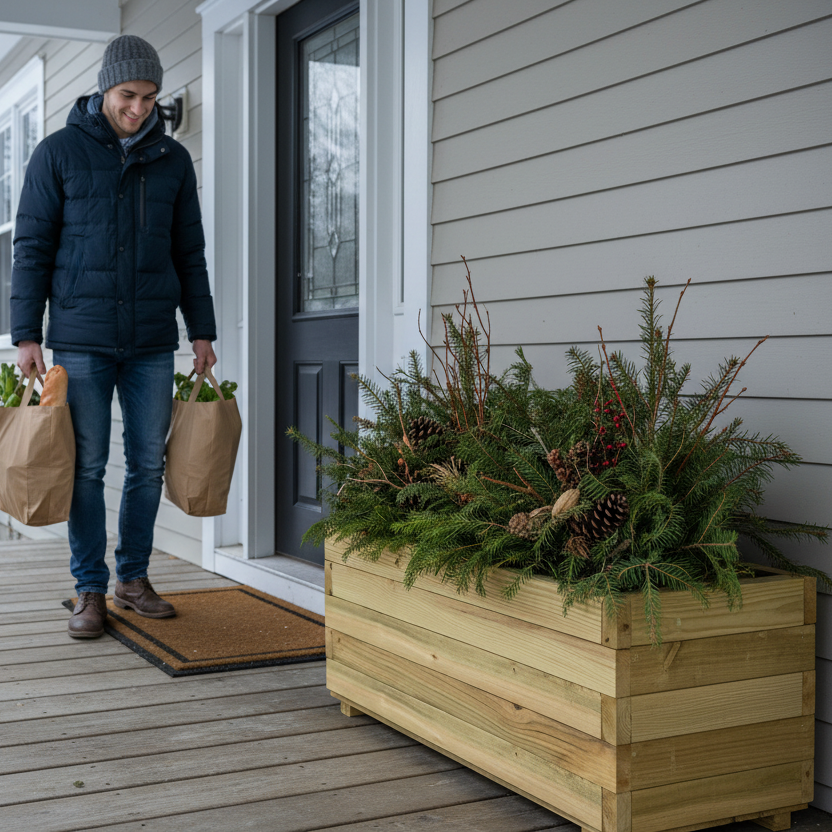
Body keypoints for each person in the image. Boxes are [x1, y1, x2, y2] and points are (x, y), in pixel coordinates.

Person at [10, 35, 217, 639]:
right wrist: (26, 333)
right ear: (105, 88)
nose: (139, 108)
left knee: (148, 464)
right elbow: (32, 248)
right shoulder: (58, 153)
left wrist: (201, 329)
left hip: (153, 338)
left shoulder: (173, 160)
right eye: (129, 95)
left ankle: (133, 577)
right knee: (87, 466)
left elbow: (190, 254)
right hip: (81, 339)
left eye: (150, 98)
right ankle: (89, 590)